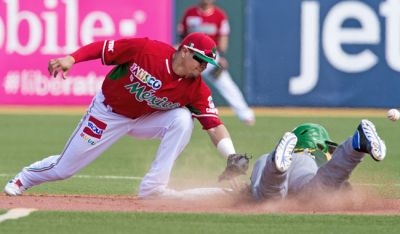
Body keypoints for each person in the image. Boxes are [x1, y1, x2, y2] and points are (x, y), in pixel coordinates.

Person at [4, 32, 240, 199]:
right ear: (185, 51)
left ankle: (153, 188)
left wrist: (232, 157)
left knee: (181, 119)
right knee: (64, 169)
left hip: (145, 119)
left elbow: (213, 125)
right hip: (107, 113)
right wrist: (71, 58)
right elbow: (104, 47)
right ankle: (22, 179)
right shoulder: (147, 50)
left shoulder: (196, 88)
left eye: (208, 64)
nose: (203, 67)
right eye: (201, 60)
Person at [249, 119, 386, 201]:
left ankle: (275, 167)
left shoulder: (265, 158)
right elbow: (342, 187)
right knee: (317, 191)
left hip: (268, 160)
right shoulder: (319, 155)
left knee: (267, 196)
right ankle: (354, 147)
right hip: (305, 165)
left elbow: (245, 192)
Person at [178, 0, 255, 125]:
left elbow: (223, 37)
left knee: (226, 85)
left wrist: (221, 56)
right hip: (191, 57)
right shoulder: (190, 13)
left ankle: (245, 114)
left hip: (210, 58)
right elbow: (182, 36)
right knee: (178, 83)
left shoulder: (219, 15)